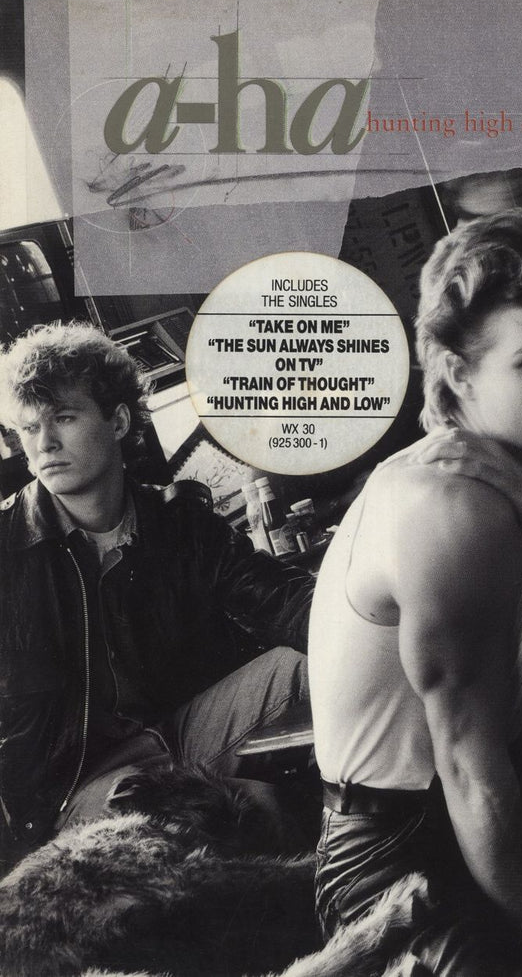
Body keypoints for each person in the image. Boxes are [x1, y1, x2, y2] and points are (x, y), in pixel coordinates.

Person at [308, 208, 522, 975]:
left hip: (504, 805)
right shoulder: (453, 508)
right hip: (398, 860)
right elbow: (466, 764)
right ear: (459, 373)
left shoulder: (521, 472)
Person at [0, 323, 315, 876]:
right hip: (80, 783)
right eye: (29, 428)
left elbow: (282, 600)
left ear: (119, 421)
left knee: (330, 650)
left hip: (181, 728)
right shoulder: (7, 549)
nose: (43, 443)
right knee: (248, 813)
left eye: (63, 418)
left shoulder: (177, 519)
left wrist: (383, 606)